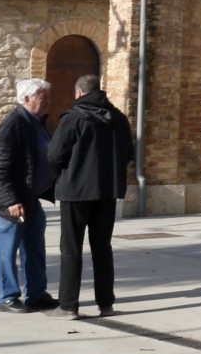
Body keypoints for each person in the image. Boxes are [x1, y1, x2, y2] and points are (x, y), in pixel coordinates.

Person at [47, 73, 135, 319]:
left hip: (75, 191)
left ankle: (68, 305)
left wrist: (61, 174)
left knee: (71, 248)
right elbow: (128, 153)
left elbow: (54, 154)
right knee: (102, 247)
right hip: (107, 191)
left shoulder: (73, 118)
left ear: (78, 93)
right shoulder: (118, 119)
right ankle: (106, 303)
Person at [0, 78, 58, 313]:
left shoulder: (36, 122)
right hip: (10, 202)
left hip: (30, 198)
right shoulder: (13, 125)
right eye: (43, 98)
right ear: (26, 99)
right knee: (6, 249)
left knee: (34, 248)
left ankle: (36, 294)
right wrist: (10, 200)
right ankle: (6, 297)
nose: (48, 102)